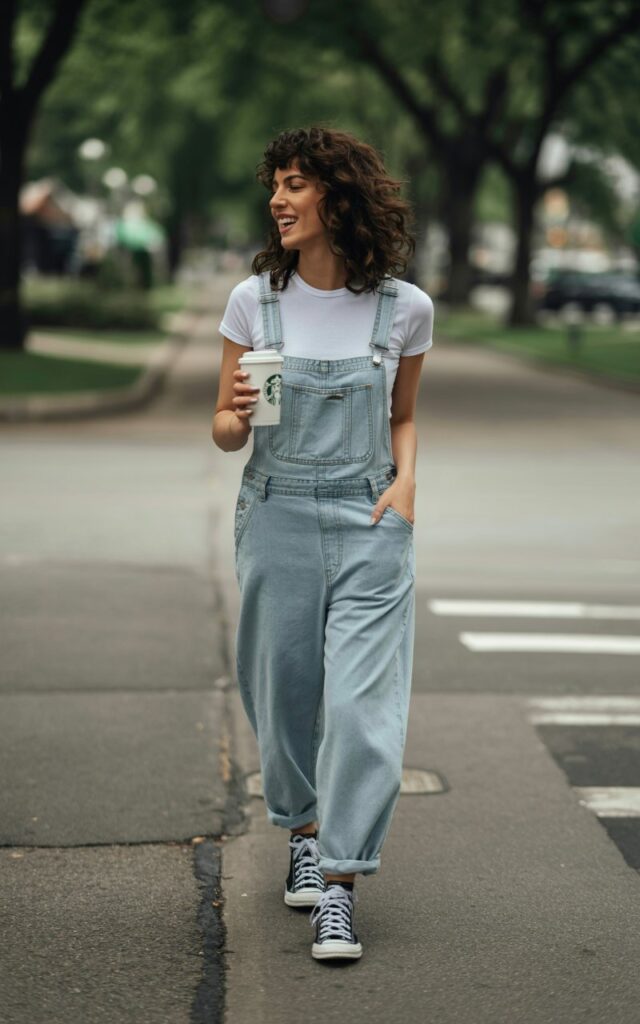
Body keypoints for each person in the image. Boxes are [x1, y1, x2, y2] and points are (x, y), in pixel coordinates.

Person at [212, 126, 434, 961]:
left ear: (339, 195)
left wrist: (406, 485)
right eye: (275, 182)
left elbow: (403, 415)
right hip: (275, 514)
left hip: (371, 518)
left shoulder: (404, 308)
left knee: (361, 710)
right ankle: (302, 830)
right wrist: (233, 415)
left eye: (296, 182)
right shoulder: (253, 303)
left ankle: (338, 883)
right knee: (285, 691)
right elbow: (227, 429)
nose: (278, 197)